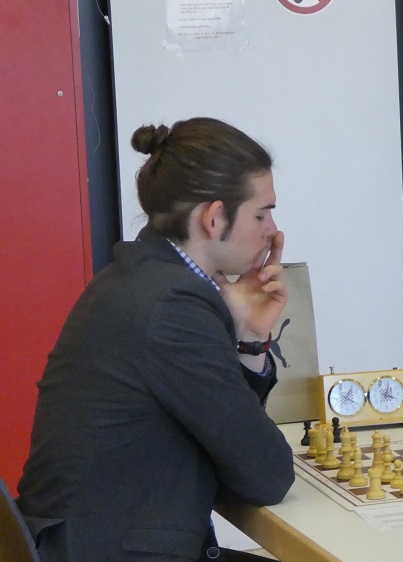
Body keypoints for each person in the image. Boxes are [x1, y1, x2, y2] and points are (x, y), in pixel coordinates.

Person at [16, 117, 295, 561]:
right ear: (214, 218)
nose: (272, 231)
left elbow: (240, 465)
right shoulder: (173, 307)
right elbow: (267, 475)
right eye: (261, 214)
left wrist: (247, 337)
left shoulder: (137, 277)